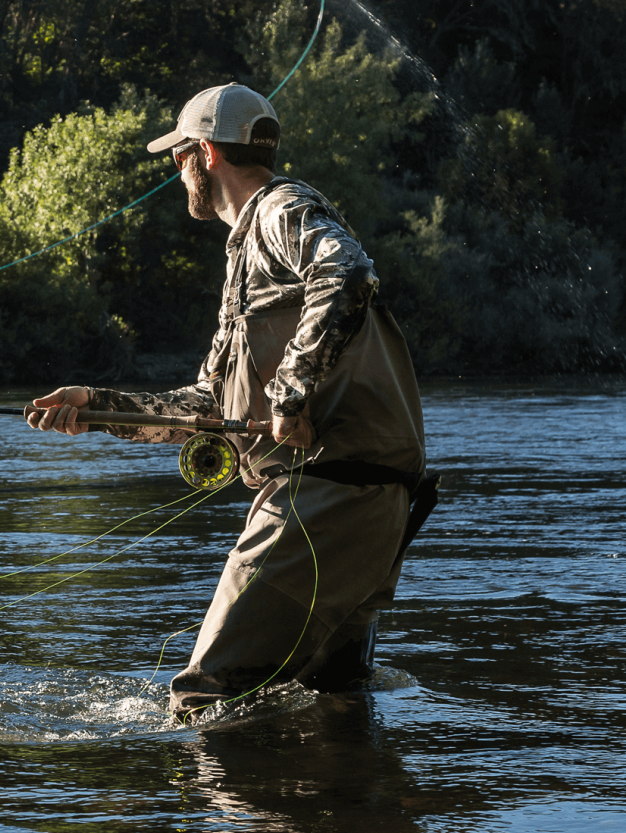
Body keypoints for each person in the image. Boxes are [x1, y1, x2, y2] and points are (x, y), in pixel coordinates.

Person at [27, 82, 427, 721]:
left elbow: (347, 270)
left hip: (320, 498)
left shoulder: (278, 210)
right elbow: (208, 406)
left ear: (206, 153)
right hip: (362, 501)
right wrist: (96, 407)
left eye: (179, 154)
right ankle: (344, 820)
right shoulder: (250, 248)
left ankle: (234, 823)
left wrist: (290, 393)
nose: (176, 168)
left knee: (203, 702)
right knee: (333, 707)